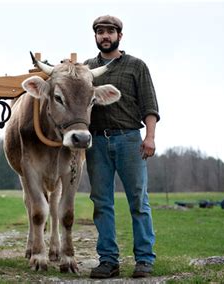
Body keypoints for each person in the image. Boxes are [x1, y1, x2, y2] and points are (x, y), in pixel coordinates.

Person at [84, 15, 160, 279]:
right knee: (101, 202)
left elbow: (150, 105)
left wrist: (149, 137)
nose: (105, 36)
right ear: (95, 36)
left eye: (110, 32)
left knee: (138, 201)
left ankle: (144, 260)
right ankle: (108, 261)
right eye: (100, 32)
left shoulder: (136, 66)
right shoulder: (85, 69)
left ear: (119, 35)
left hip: (129, 140)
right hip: (96, 143)